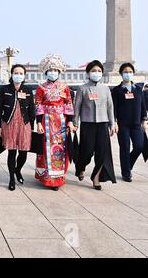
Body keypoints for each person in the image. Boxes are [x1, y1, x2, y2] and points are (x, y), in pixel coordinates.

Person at [73, 60, 117, 190]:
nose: (96, 73)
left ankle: (96, 178)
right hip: (87, 124)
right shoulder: (82, 88)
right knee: (86, 152)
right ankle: (81, 167)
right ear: (88, 73)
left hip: (103, 124)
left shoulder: (105, 89)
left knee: (102, 153)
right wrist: (75, 123)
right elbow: (77, 108)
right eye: (93, 71)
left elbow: (110, 107)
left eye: (99, 71)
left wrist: (112, 124)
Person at [35, 55, 75, 191]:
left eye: (55, 70)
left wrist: (70, 121)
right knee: (46, 148)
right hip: (46, 120)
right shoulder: (41, 87)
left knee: (61, 149)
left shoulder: (65, 87)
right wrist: (38, 123)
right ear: (46, 72)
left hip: (61, 121)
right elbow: (38, 105)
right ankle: (46, 177)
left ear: (59, 72)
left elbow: (69, 104)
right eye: (50, 70)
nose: (53, 72)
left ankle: (57, 178)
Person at [0, 64, 35, 191]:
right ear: (11, 75)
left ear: (24, 76)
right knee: (12, 152)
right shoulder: (5, 89)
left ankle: (18, 170)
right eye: (16, 73)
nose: (18, 75)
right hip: (9, 123)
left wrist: (32, 126)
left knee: (23, 152)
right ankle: (12, 179)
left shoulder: (27, 90)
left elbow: (32, 110)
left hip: (24, 124)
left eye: (21, 73)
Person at [112, 63, 148, 182]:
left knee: (139, 146)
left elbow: (143, 106)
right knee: (125, 148)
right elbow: (114, 108)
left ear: (133, 73)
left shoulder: (138, 89)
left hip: (136, 124)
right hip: (122, 125)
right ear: (121, 74)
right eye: (125, 72)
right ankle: (126, 173)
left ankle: (127, 166)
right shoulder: (117, 90)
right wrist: (115, 122)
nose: (128, 74)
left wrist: (144, 120)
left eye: (130, 71)